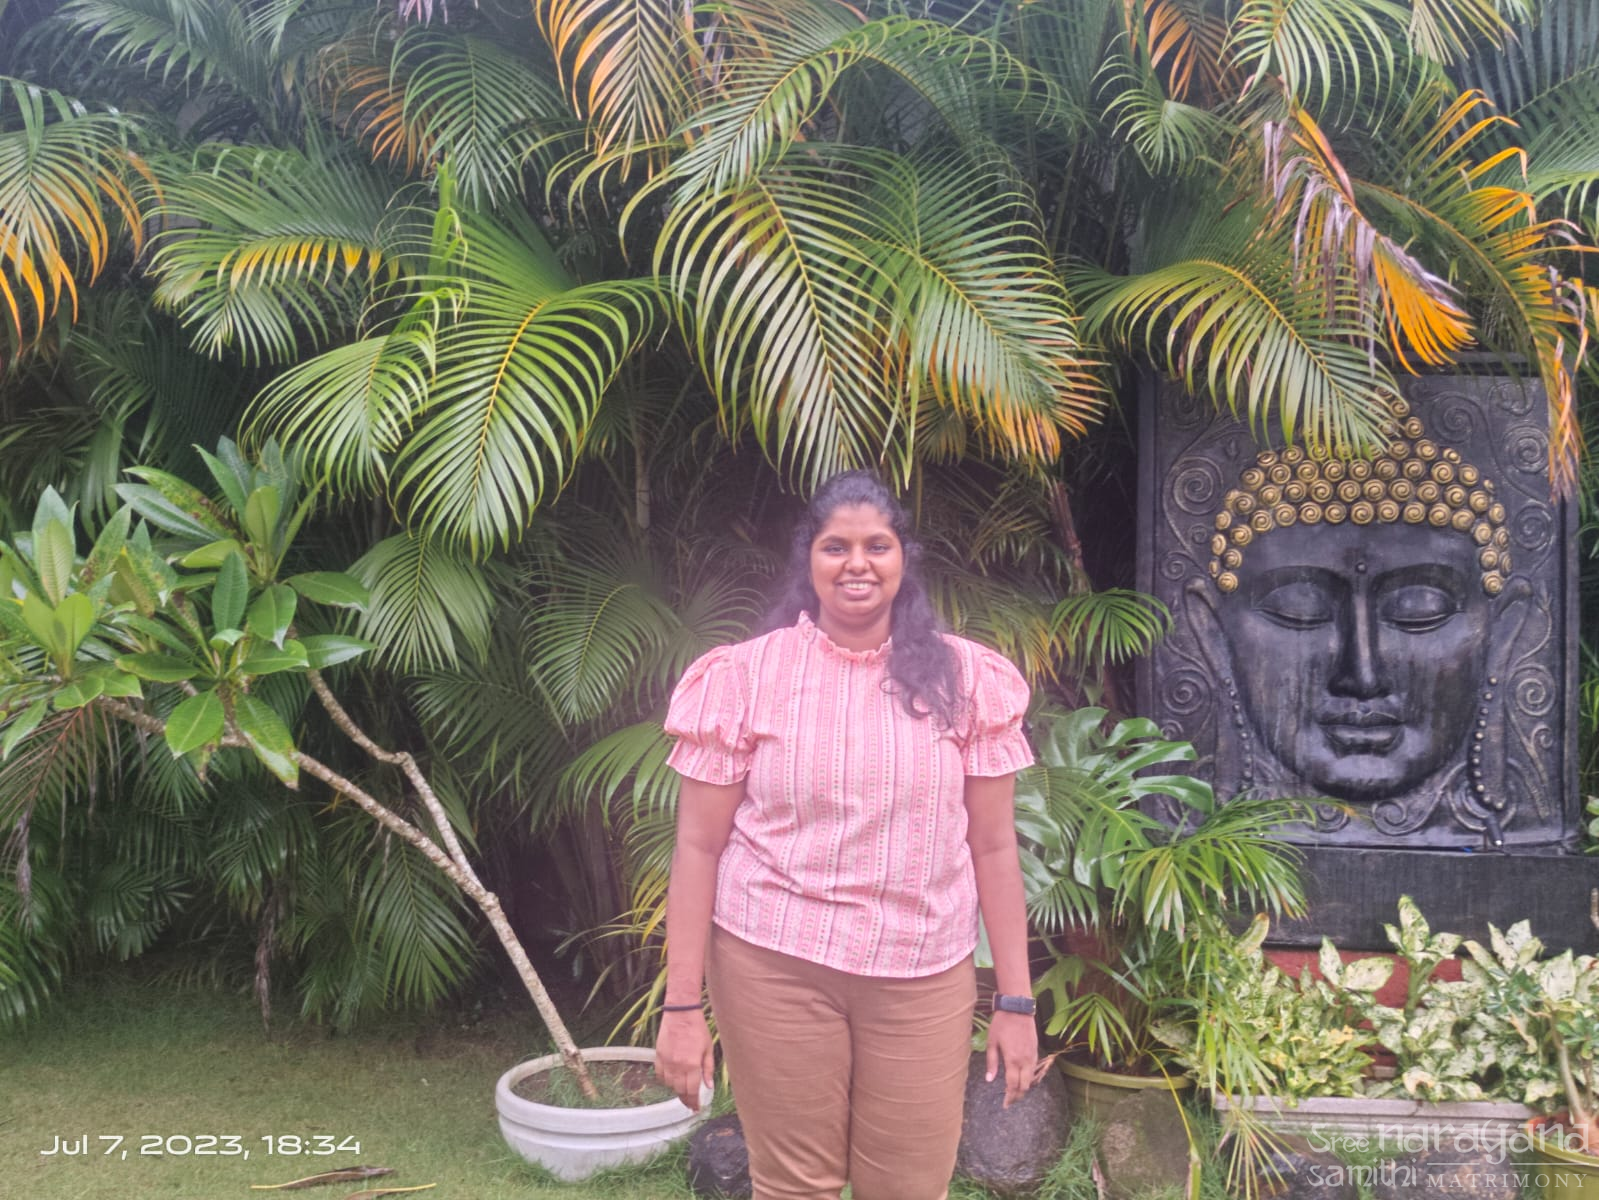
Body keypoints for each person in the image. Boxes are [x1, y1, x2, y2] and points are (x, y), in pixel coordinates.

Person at [653, 470, 1039, 1200]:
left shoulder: (966, 680)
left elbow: (993, 849)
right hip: (774, 968)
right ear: (809, 558)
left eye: (876, 546)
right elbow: (698, 848)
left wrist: (1015, 1004)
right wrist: (680, 1008)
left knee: (911, 1187)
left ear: (903, 559)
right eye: (836, 546)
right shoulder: (746, 677)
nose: (856, 563)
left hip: (922, 976)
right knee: (794, 1186)